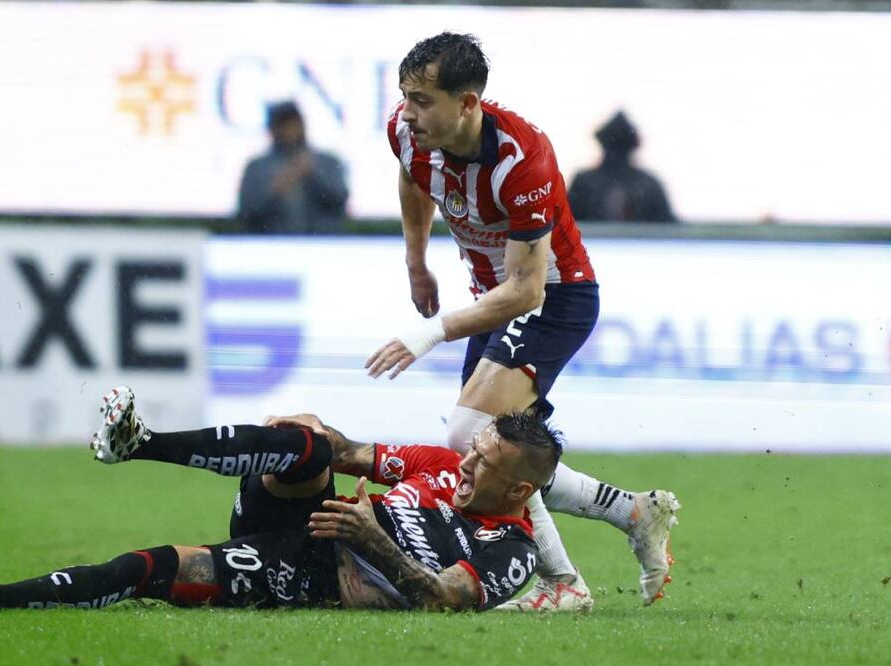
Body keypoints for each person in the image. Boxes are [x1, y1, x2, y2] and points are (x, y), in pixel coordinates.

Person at [364, 32, 679, 611]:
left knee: (470, 438)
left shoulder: (521, 158)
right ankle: (631, 513)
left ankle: (565, 583)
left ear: (467, 103)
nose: (408, 113)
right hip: (492, 299)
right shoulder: (407, 133)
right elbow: (413, 177)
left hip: (553, 299)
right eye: (405, 97)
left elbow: (527, 290)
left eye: (423, 100)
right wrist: (416, 262)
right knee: (488, 451)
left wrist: (429, 333)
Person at [0, 386, 561, 612]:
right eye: (474, 449)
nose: (466, 462)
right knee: (309, 447)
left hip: (312, 572)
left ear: (521, 490)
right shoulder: (445, 465)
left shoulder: (511, 549)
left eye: (484, 462)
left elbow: (445, 600)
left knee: (158, 567)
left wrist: (370, 538)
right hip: (311, 516)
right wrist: (308, 427)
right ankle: (139, 442)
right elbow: (348, 452)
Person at [236, 101, 349, 234]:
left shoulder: (327, 161)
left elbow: (340, 202)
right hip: (272, 242)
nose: (290, 130)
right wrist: (275, 189)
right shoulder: (256, 167)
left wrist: (312, 175)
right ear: (273, 129)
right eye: (283, 125)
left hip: (320, 241)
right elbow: (246, 212)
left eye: (294, 123)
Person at [567, 110, 676, 223]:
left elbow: (668, 227)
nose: (616, 154)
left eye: (621, 147)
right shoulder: (584, 183)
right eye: (614, 146)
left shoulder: (649, 186)